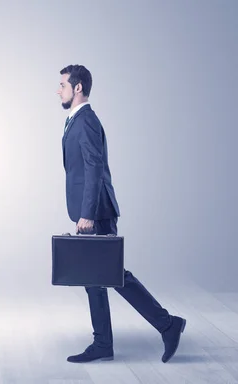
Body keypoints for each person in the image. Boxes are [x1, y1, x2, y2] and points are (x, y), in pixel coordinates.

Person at [57, 64, 186, 363]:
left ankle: (168, 324)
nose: (58, 89)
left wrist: (87, 213)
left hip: (97, 211)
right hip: (92, 210)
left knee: (113, 275)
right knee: (94, 277)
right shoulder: (75, 120)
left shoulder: (86, 120)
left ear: (77, 88)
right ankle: (103, 343)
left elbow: (94, 167)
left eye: (62, 84)